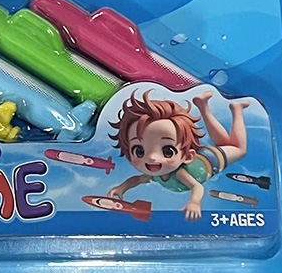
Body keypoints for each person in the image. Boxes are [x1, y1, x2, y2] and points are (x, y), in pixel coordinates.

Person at [106, 90, 249, 220]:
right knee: (223, 143)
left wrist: (194, 202)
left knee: (238, 149)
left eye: (167, 151)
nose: (152, 157)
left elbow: (197, 187)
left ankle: (237, 111)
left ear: (187, 156)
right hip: (201, 156)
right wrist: (122, 187)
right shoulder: (154, 174)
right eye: (139, 151)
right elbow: (137, 179)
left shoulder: (179, 174)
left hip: (213, 160)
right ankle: (203, 105)